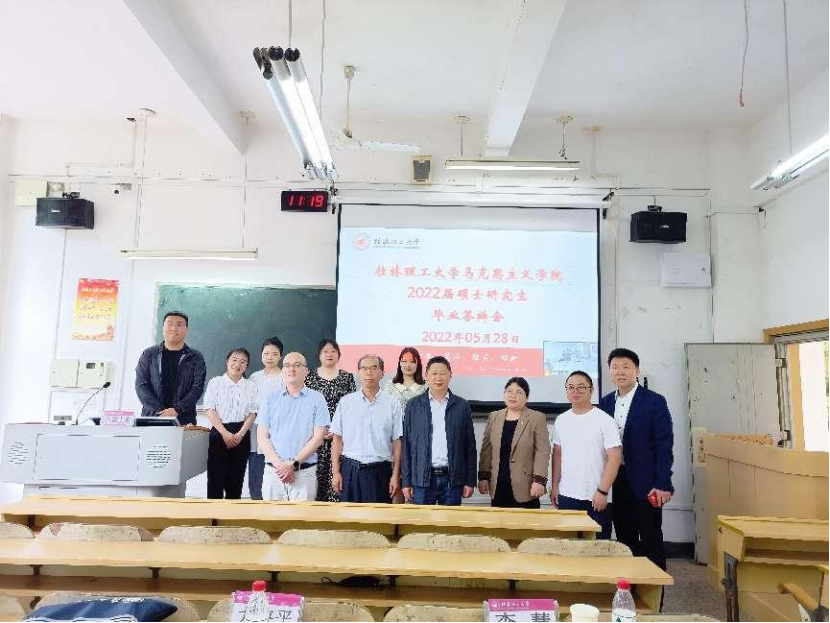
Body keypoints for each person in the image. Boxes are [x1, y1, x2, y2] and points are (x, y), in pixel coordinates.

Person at [599, 348, 674, 570]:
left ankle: (654, 588)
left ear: (637, 370)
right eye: (615, 367)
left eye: (626, 367)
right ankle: (629, 585)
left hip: (646, 482)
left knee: (651, 537)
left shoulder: (654, 401)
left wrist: (662, 483)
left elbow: (664, 446)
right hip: (616, 480)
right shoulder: (605, 403)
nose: (620, 371)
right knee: (624, 537)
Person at [550, 371, 622, 539]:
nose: (576, 391)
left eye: (581, 387)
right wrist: (555, 486)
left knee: (597, 547)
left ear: (591, 390)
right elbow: (557, 455)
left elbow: (615, 457)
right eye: (571, 387)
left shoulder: (605, 420)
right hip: (567, 495)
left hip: (596, 496)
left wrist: (603, 491)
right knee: (568, 546)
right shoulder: (561, 420)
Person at [401, 356, 476, 506]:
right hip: (422, 479)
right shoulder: (414, 405)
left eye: (443, 373)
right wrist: (406, 481)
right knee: (421, 520)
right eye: (434, 373)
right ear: (426, 376)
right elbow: (407, 446)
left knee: (450, 521)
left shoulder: (462, 406)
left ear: (450, 375)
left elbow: (469, 447)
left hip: (452, 480)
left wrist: (470, 481)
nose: (438, 378)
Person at [331, 355, 403, 504]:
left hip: (380, 471)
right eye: (364, 368)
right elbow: (337, 439)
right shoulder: (346, 402)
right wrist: (336, 472)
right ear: (358, 372)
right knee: (350, 517)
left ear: (382, 373)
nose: (369, 372)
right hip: (350, 471)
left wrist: (395, 475)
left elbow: (397, 442)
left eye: (374, 368)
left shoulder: (392, 403)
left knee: (379, 517)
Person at [257, 352, 329, 501]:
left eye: (297, 365)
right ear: (283, 371)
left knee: (302, 516)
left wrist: (294, 464)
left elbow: (318, 438)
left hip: (304, 473)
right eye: (287, 365)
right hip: (274, 472)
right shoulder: (270, 399)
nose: (292, 369)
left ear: (306, 371)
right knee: (271, 515)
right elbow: (262, 436)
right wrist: (281, 466)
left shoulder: (317, 399)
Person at [478, 377, 550, 509]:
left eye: (519, 392)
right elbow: (486, 450)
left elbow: (542, 452)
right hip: (499, 486)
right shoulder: (494, 417)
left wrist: (539, 480)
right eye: (509, 391)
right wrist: (483, 477)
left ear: (527, 397)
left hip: (527, 487)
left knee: (527, 522)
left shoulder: (537, 418)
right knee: (499, 521)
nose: (513, 395)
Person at [304, 339, 357, 502]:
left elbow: (352, 408)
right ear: (319, 355)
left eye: (333, 351)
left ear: (338, 354)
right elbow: (305, 406)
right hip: (314, 438)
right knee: (315, 484)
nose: (329, 354)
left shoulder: (347, 377)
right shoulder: (309, 377)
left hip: (340, 437)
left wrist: (336, 429)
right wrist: (319, 429)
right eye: (325, 351)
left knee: (337, 483)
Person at [203, 348, 258, 499]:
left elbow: (253, 412)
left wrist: (240, 434)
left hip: (242, 433)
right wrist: (224, 433)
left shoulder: (251, 386)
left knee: (236, 482)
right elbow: (209, 409)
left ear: (247, 366)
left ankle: (232, 513)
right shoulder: (215, 382)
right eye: (234, 360)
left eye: (243, 362)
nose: (237, 364)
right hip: (219, 431)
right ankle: (213, 513)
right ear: (227, 361)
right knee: (215, 480)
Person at [135, 311, 206, 426]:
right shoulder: (149, 354)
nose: (174, 328)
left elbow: (197, 388)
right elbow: (141, 386)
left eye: (179, 324)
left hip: (184, 419)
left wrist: (177, 409)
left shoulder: (195, 357)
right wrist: (160, 411)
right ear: (163, 327)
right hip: (152, 417)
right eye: (169, 324)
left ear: (186, 330)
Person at [248, 337, 285, 500]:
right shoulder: (254, 377)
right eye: (266, 353)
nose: (270, 357)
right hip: (256, 430)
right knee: (255, 471)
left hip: (277, 430)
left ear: (280, 356)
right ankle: (256, 503)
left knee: (275, 472)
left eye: (274, 354)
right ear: (261, 355)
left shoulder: (285, 377)